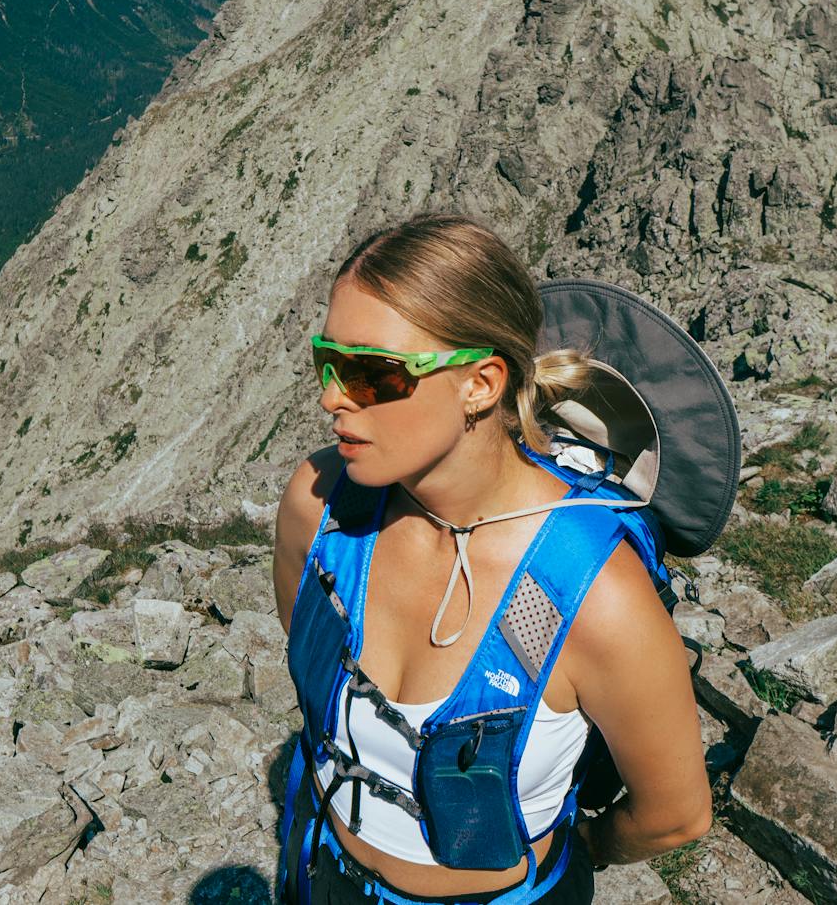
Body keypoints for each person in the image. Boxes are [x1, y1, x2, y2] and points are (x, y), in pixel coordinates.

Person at [273, 213, 712, 904]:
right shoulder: (321, 504)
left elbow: (677, 814)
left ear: (480, 383)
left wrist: (584, 852)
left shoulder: (587, 593)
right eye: (327, 361)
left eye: (372, 374)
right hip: (326, 878)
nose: (332, 395)